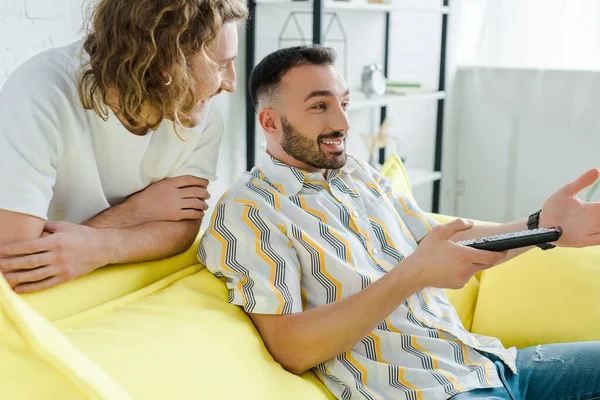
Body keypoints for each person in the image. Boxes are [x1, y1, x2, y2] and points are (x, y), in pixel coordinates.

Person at [198, 45, 600, 399]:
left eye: (344, 103)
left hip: (493, 364)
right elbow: (290, 349)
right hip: (426, 391)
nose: (342, 122)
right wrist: (414, 273)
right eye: (320, 106)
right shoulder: (249, 211)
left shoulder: (359, 176)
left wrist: (544, 226)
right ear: (270, 121)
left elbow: (447, 243)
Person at [0, 0, 247, 293]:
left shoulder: (200, 107)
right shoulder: (40, 93)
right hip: (42, 287)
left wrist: (103, 246)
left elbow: (183, 228)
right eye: (220, 65)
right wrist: (134, 213)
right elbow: (16, 260)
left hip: (118, 278)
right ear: (163, 61)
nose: (230, 83)